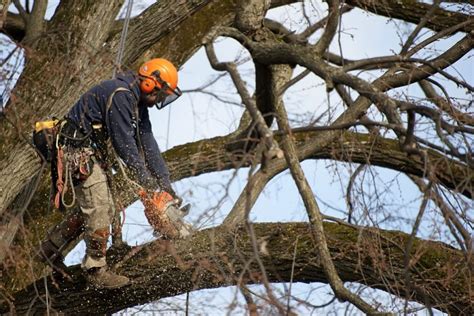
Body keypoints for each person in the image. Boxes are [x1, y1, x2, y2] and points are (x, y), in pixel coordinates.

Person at [38, 58, 188, 289]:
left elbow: (147, 142)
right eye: (159, 94)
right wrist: (147, 184)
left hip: (89, 153)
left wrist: (165, 185)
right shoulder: (120, 94)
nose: (159, 99)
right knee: (98, 208)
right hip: (76, 152)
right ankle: (95, 269)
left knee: (105, 208)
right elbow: (124, 145)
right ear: (150, 83)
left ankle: (50, 248)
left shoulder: (136, 103)